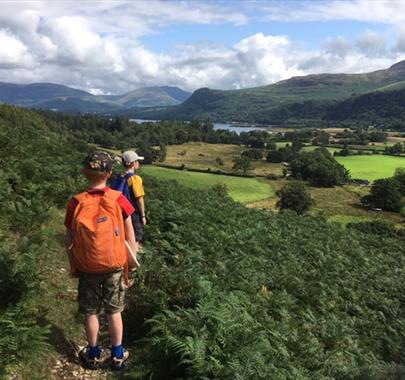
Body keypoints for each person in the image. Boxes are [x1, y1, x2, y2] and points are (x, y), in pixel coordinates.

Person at [64, 151, 139, 370]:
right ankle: (117, 354)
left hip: (87, 266)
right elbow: (130, 234)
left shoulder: (76, 202)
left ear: (84, 173)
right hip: (114, 265)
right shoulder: (118, 199)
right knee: (114, 311)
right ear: (109, 173)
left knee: (91, 311)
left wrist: (74, 264)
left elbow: (70, 238)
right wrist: (130, 262)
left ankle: (93, 353)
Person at [110, 151, 147, 244]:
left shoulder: (118, 177)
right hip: (132, 213)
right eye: (137, 161)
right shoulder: (135, 179)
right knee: (135, 238)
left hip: (118, 211)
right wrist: (143, 216)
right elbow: (139, 198)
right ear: (133, 163)